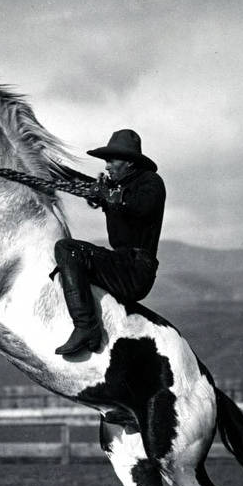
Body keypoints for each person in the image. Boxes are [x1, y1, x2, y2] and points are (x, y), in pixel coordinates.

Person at [53, 129, 166, 356]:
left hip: (135, 269)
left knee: (68, 249)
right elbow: (90, 187)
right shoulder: (116, 188)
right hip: (122, 264)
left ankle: (86, 327)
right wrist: (57, 172)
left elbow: (141, 206)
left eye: (110, 161)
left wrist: (109, 195)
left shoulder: (151, 182)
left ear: (129, 163)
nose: (106, 166)